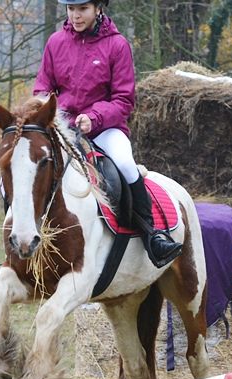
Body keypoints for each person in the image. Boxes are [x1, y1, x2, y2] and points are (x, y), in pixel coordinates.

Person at [33, 0, 182, 268]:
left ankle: (152, 235)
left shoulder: (117, 45)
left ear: (98, 8)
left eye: (83, 9)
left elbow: (124, 100)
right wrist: (48, 114)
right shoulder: (56, 42)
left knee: (125, 164)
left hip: (105, 129)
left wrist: (93, 118)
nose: (75, 15)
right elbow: (43, 89)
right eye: (71, 9)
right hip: (64, 129)